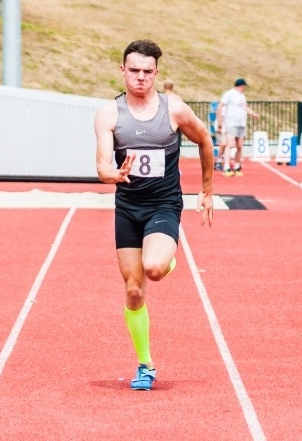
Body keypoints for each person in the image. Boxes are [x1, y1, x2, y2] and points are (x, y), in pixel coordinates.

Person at [94, 39, 214, 391]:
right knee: (133, 292)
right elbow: (102, 163)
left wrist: (207, 190)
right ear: (123, 71)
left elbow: (205, 141)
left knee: (154, 269)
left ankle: (166, 258)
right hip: (128, 209)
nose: (141, 77)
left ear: (157, 73)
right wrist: (112, 174)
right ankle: (145, 364)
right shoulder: (109, 115)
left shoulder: (173, 109)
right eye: (134, 71)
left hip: (163, 205)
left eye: (148, 72)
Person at [216, 78, 259, 176]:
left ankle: (237, 165)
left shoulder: (242, 96)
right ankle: (226, 166)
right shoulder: (229, 94)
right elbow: (220, 106)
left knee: (239, 146)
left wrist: (253, 114)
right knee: (229, 145)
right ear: (241, 85)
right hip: (231, 123)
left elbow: (245, 107)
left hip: (241, 123)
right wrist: (220, 121)